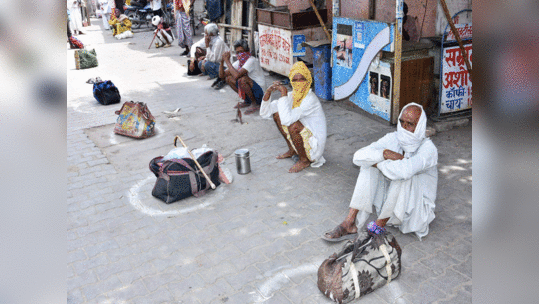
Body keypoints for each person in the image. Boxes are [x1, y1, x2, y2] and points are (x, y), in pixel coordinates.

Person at [322, 103, 437, 241]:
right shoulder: (394, 137)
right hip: (392, 206)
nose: (404, 128)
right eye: (401, 122)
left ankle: (378, 227)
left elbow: (404, 171)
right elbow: (358, 156)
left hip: (414, 213)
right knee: (368, 165)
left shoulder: (428, 149)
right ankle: (350, 222)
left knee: (403, 175)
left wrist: (380, 162)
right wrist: (385, 154)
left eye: (410, 124)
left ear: (419, 126)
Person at [259, 61, 327, 173]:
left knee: (293, 125)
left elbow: (287, 120)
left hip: (315, 146)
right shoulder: (292, 96)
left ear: (308, 80)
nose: (298, 83)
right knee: (277, 115)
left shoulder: (310, 99)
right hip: (305, 135)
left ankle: (304, 160)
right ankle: (292, 150)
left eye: (302, 79)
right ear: (291, 81)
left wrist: (283, 94)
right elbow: (265, 113)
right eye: (295, 80)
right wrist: (268, 92)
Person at [219, 39, 267, 115]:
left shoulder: (252, 60)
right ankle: (247, 101)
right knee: (228, 79)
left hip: (260, 93)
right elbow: (222, 76)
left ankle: (255, 104)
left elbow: (236, 75)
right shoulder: (239, 62)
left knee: (242, 79)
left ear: (247, 51)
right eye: (237, 52)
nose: (240, 54)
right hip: (252, 89)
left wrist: (227, 61)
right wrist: (222, 61)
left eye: (241, 51)